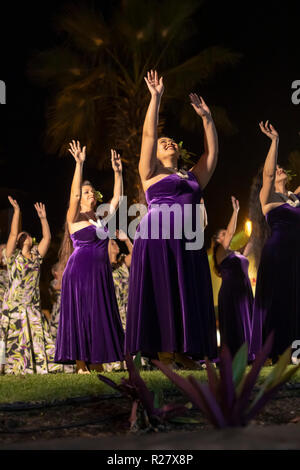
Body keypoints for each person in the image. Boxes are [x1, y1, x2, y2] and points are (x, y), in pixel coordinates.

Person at [125, 70, 218, 368]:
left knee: (185, 291)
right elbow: (149, 135)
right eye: (164, 142)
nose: (168, 142)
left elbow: (212, 154)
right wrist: (156, 97)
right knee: (163, 290)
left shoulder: (192, 177)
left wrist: (207, 118)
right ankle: (162, 353)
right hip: (157, 238)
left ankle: (183, 352)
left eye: (172, 141)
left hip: (188, 240)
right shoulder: (150, 172)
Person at [54, 141, 125, 374]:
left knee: (97, 314)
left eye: (91, 191)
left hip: (100, 273)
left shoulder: (100, 218)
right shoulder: (74, 216)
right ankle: (81, 364)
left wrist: (118, 173)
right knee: (82, 313)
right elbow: (74, 194)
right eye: (87, 192)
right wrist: (79, 164)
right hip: (80, 271)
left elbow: (116, 200)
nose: (90, 193)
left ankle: (96, 361)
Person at [249, 121, 300, 362]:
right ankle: (277, 352)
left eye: (282, 167)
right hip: (278, 253)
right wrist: (275, 141)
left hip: (297, 253)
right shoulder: (267, 196)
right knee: (279, 299)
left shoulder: (295, 196)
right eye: (276, 167)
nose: (279, 169)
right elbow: (268, 174)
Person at [0, 197, 62, 374]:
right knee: (11, 338)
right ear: (19, 242)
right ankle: (8, 366)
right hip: (14, 306)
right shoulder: (12, 257)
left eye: (26, 235)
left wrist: (43, 218)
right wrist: (17, 212)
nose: (25, 235)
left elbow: (47, 238)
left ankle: (38, 365)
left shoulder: (35, 256)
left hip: (32, 306)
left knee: (36, 336)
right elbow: (12, 234)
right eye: (22, 235)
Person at [211, 196, 254, 359]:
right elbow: (230, 234)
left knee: (247, 323)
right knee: (235, 326)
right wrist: (236, 211)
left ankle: (249, 354)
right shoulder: (219, 253)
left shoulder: (235, 253)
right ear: (218, 240)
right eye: (224, 234)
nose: (228, 234)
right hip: (232, 294)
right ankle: (235, 357)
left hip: (244, 292)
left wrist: (257, 226)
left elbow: (249, 246)